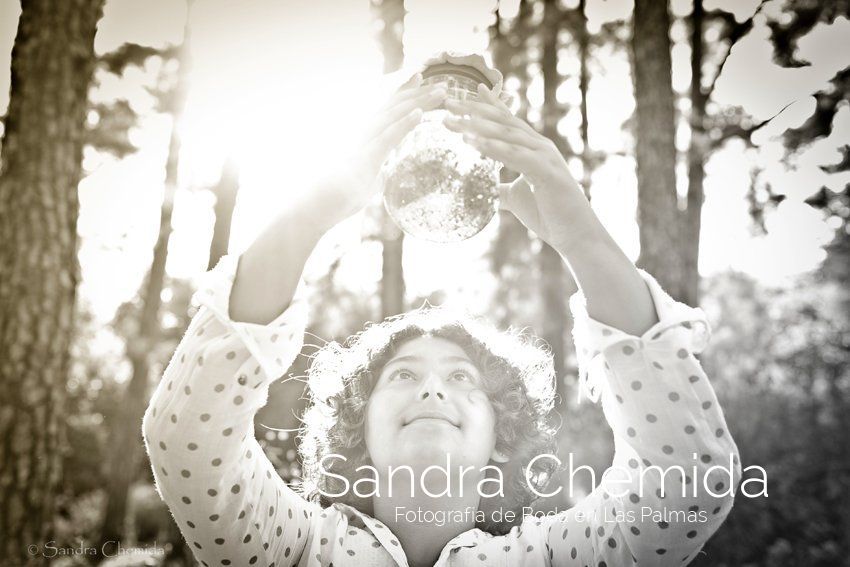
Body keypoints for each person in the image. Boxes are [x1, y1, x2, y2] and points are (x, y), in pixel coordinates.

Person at [143, 53, 741, 567]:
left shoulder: (553, 558)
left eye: (462, 377)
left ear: (502, 440)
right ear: (357, 433)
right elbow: (187, 438)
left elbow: (689, 477)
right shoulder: (294, 551)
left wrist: (580, 235)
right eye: (402, 375)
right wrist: (314, 210)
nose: (432, 390)